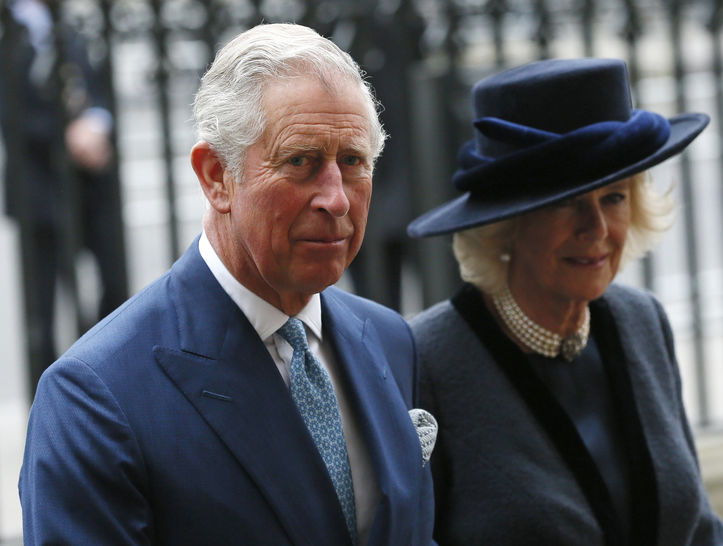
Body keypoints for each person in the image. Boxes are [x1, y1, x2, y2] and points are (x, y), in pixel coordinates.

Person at [19, 23, 435, 545]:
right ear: (216, 176)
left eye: (352, 162)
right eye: (301, 162)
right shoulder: (96, 397)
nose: (337, 199)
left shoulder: (392, 341)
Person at [406, 58, 723, 545]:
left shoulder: (641, 321)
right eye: (567, 202)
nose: (597, 230)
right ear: (507, 221)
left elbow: (699, 528)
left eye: (615, 197)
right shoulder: (427, 362)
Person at [0, 0, 127, 400]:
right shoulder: (12, 26)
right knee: (44, 309)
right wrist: (68, 136)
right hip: (39, 187)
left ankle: (116, 382)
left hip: (92, 185)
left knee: (113, 289)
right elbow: (13, 113)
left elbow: (98, 82)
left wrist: (98, 122)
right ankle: (54, 401)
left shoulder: (74, 21)